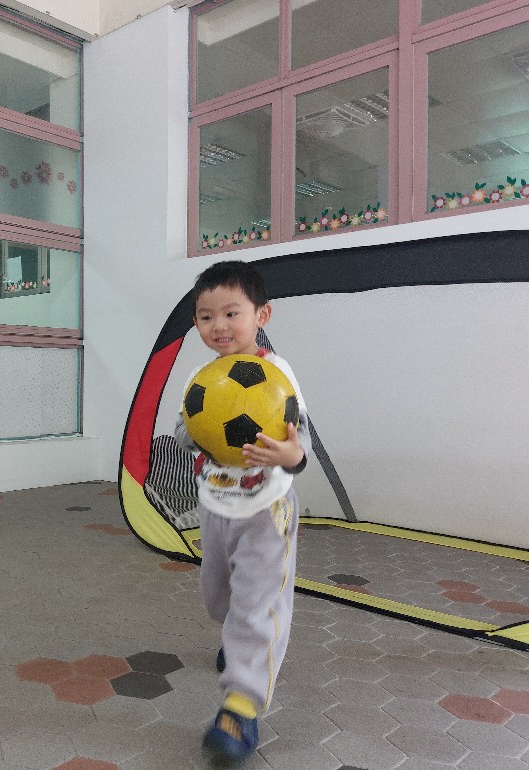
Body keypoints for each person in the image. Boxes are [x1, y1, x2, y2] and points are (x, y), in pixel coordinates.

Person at [174, 260, 308, 763]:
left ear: (261, 315)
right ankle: (238, 641)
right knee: (219, 598)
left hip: (266, 510)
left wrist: (289, 455)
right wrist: (197, 430)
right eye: (206, 317)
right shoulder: (201, 377)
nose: (219, 326)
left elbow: (300, 447)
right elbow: (186, 430)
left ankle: (241, 707)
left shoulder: (277, 374)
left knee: (256, 604)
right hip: (216, 505)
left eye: (231, 313)